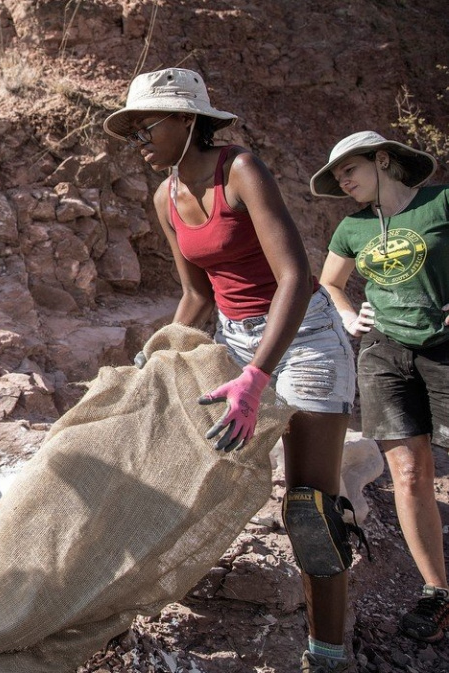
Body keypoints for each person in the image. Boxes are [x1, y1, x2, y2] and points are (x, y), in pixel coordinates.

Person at [104, 69, 360, 673]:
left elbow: (296, 276)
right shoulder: (165, 197)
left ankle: (329, 656)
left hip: (305, 335)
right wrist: (154, 356)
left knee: (310, 509)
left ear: (189, 120)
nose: (138, 136)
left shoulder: (239, 169)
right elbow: (197, 298)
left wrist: (257, 378)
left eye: (149, 123)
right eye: (132, 127)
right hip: (236, 339)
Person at [312, 130, 449, 643]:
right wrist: (349, 316)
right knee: (410, 472)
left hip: (445, 346)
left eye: (350, 169)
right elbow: (329, 282)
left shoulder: (441, 203)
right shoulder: (352, 227)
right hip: (384, 354)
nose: (343, 181)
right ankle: (438, 594)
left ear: (383, 159)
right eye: (337, 177)